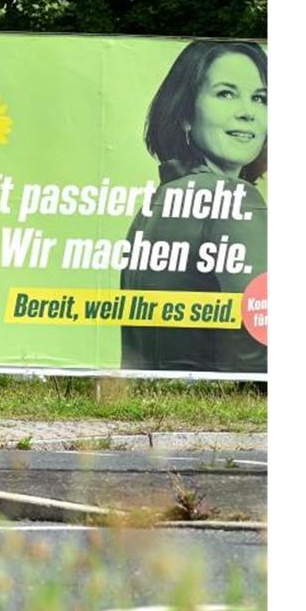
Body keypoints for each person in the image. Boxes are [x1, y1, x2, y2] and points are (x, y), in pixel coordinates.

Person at [120, 40, 267, 374]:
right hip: (226, 409)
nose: (247, 111)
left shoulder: (153, 208)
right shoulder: (233, 197)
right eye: (226, 93)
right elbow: (260, 332)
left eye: (260, 98)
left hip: (157, 402)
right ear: (185, 115)